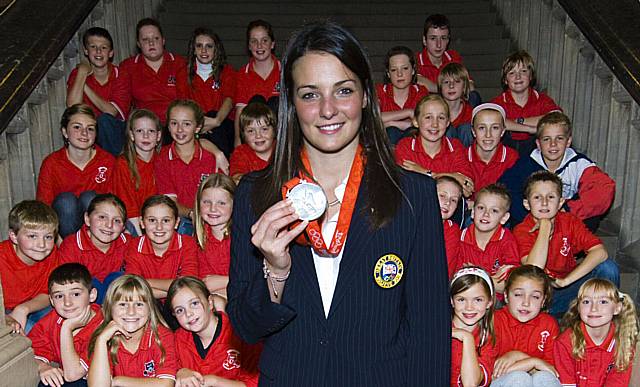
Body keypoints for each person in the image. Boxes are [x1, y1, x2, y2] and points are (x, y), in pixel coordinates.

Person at [227, 22, 450, 385]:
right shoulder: (256, 194)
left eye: (343, 90)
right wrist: (276, 269)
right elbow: (247, 328)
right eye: (310, 94)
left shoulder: (414, 196)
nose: (328, 110)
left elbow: (430, 333)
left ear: (364, 94)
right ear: (291, 102)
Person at [513, 171, 619, 318]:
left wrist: (566, 281)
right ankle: (558, 318)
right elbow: (533, 270)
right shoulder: (522, 230)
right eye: (537, 197)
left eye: (551, 197)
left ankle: (605, 320)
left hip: (569, 286)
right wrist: (545, 228)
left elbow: (600, 252)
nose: (544, 203)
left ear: (561, 202)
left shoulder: (569, 221)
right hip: (541, 295)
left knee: (607, 268)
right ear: (527, 203)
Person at [499, 111, 615, 230]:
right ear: (538, 144)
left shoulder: (579, 164)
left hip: (566, 222)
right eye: (546, 139)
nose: (553, 144)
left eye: (559, 138)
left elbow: (604, 189)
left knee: (591, 216)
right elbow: (506, 188)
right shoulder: (526, 164)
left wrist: (567, 210)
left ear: (568, 141)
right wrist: (531, 218)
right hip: (532, 222)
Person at [37, 104, 116, 238]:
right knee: (66, 201)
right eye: (77, 127)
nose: (84, 133)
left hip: (100, 234)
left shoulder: (108, 161)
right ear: (65, 132)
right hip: (64, 234)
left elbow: (115, 206)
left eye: (90, 129)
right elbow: (44, 211)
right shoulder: (52, 163)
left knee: (90, 198)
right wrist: (56, 242)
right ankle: (72, 253)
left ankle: (92, 251)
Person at [167, 276, 259, 387]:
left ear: (210, 302)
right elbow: (167, 371)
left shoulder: (240, 332)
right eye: (180, 310)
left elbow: (254, 383)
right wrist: (181, 372)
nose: (188, 313)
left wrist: (214, 381)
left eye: (194, 303)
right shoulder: (177, 339)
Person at [87, 274, 178, 385]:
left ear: (150, 309)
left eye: (139, 304)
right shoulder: (104, 338)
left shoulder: (161, 336)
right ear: (110, 308)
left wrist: (117, 381)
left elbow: (166, 384)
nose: (131, 312)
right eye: (123, 304)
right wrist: (101, 341)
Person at [29, 263, 104, 387]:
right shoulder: (53, 320)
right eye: (59, 296)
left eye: (75, 294)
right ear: (52, 301)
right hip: (72, 376)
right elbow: (31, 351)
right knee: (48, 381)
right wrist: (43, 367)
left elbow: (72, 375)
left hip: (99, 380)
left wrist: (67, 328)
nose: (67, 303)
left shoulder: (102, 325)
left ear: (92, 295)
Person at [554, 279, 639, 386]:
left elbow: (617, 382)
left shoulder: (623, 342)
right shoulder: (565, 341)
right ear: (578, 308)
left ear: (617, 308)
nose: (594, 308)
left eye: (603, 302)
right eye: (586, 302)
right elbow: (567, 383)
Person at [154, 99, 219, 235]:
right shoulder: (163, 158)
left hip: (211, 218)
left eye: (187, 124)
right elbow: (170, 202)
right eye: (174, 123)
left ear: (197, 127)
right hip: (182, 220)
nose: (179, 129)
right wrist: (192, 214)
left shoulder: (211, 157)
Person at [491, 265, 561, 387]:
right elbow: (492, 374)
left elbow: (551, 371)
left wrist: (520, 357)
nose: (526, 303)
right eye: (518, 294)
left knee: (544, 377)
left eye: (535, 297)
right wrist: (533, 362)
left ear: (543, 301)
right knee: (519, 378)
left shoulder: (549, 324)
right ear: (506, 296)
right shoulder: (495, 321)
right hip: (502, 381)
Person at [110, 18, 186, 127]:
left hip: (175, 125)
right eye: (145, 39)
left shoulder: (180, 63)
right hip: (144, 125)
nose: (151, 43)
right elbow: (123, 104)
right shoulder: (128, 67)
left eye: (156, 38)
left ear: (163, 40)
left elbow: (187, 102)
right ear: (139, 44)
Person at [394, 94, 475, 198]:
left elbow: (467, 188)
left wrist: (424, 172)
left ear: (447, 122)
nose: (435, 124)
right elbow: (407, 187)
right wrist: (451, 177)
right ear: (415, 121)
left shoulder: (455, 147)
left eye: (441, 118)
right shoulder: (406, 146)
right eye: (428, 117)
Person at [124, 195, 198, 302]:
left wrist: (144, 282)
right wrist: (177, 288)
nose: (159, 227)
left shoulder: (187, 243)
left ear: (176, 223)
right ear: (142, 222)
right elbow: (132, 287)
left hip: (180, 303)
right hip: (148, 304)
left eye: (166, 220)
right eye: (152, 220)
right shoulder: (135, 245)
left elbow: (189, 284)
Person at [1, 200, 59, 334]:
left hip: (34, 306)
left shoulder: (51, 253)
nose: (42, 244)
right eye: (32, 236)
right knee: (29, 333)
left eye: (48, 237)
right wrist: (5, 318)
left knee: (62, 320)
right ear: (14, 236)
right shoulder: (3, 257)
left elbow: (50, 292)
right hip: (5, 311)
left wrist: (23, 308)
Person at [177, 27, 236, 158]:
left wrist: (216, 121)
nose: (204, 50)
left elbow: (229, 100)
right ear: (193, 50)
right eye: (199, 46)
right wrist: (198, 124)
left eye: (209, 46)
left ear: (216, 50)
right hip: (195, 123)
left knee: (214, 117)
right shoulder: (183, 74)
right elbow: (184, 104)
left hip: (222, 123)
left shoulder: (227, 72)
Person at [59, 194, 128, 304]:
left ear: (123, 227)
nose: (109, 225)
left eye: (117, 221)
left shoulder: (128, 243)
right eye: (102, 217)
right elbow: (65, 286)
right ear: (87, 219)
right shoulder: (72, 246)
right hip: (83, 306)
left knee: (119, 278)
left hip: (119, 305)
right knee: (88, 283)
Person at [490, 50, 561, 156]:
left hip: (535, 150)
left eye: (523, 71)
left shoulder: (542, 99)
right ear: (505, 80)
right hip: (505, 152)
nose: (518, 77)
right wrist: (530, 129)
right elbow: (494, 122)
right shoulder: (498, 102)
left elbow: (556, 117)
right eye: (512, 73)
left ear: (531, 76)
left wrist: (515, 122)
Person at [66, 27, 124, 156]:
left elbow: (111, 111)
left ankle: (112, 164)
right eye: (93, 47)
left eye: (103, 47)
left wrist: (84, 85)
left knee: (104, 120)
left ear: (111, 53)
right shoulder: (78, 74)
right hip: (88, 129)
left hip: (116, 132)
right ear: (86, 51)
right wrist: (81, 72)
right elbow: (72, 106)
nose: (98, 51)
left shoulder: (120, 74)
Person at [456, 184, 519, 296]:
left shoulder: (507, 240)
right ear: (473, 212)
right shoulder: (461, 238)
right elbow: (460, 280)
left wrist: (476, 273)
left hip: (496, 300)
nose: (486, 214)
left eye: (494, 210)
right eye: (481, 208)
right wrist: (490, 278)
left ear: (504, 218)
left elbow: (508, 285)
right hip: (467, 295)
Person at [111, 109, 162, 235]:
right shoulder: (124, 163)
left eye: (151, 131)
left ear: (158, 136)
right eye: (140, 131)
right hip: (131, 219)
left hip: (158, 219)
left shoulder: (164, 160)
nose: (146, 136)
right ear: (132, 135)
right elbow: (129, 208)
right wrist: (141, 239)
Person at [233, 20, 280, 146]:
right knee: (256, 101)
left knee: (275, 102)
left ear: (272, 44)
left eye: (264, 40)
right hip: (254, 137)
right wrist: (238, 147)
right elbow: (240, 113)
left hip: (280, 134)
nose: (259, 46)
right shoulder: (243, 74)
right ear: (249, 46)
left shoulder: (285, 71)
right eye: (254, 41)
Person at [450, 267, 498, 387]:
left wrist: (467, 338)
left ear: (489, 302)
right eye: (461, 299)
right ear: (451, 301)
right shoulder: (435, 329)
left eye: (478, 300)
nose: (469, 307)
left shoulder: (488, 338)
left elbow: (470, 383)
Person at [375, 46, 428, 144]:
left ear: (413, 70)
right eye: (394, 70)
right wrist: (408, 112)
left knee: (412, 134)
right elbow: (374, 117)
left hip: (414, 149)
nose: (399, 74)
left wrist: (390, 123)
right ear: (388, 74)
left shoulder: (421, 92)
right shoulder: (380, 91)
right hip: (387, 145)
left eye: (405, 68)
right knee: (391, 132)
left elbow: (427, 122)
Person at [194, 174, 235, 297]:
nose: (213, 209)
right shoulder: (198, 241)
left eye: (221, 203)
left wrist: (224, 281)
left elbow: (255, 280)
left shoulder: (244, 238)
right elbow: (204, 285)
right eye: (206, 202)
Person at [466, 103, 518, 199]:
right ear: (473, 131)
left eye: (495, 128)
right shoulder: (463, 157)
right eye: (482, 128)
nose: (488, 135)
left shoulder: (512, 158)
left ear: (502, 131)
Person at [229, 102, 276, 183]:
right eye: (251, 131)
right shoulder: (241, 153)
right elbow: (236, 179)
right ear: (243, 134)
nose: (258, 136)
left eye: (264, 129)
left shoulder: (284, 148)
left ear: (274, 130)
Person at [439, 62, 474, 146]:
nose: (451, 86)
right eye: (446, 82)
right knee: (446, 129)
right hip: (442, 155)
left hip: (465, 154)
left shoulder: (470, 112)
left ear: (464, 87)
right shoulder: (435, 111)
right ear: (440, 87)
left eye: (457, 81)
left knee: (466, 129)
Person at [437, 176, 463, 277]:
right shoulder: (414, 223)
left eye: (453, 200)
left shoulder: (453, 231)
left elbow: (444, 269)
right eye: (442, 196)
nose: (447, 203)